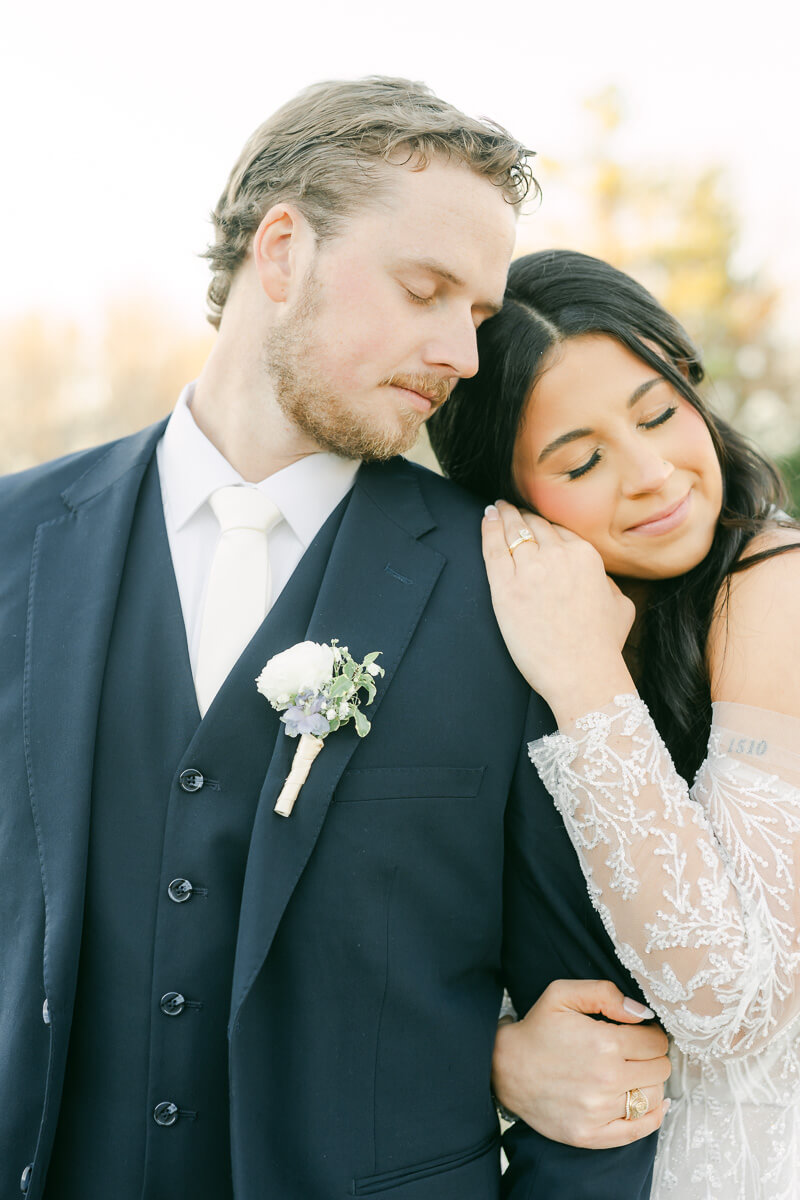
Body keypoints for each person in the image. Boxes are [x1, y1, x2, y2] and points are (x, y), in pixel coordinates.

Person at [0, 85, 669, 1200]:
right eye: (424, 291)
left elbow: (599, 1050)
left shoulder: (509, 583)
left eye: (479, 317)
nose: (458, 351)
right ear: (281, 250)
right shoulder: (15, 541)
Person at [428, 247, 800, 1197]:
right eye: (583, 460)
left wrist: (588, 680)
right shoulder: (509, 631)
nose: (653, 475)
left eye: (660, 413)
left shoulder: (775, 583)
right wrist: (499, 1057)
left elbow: (727, 1002)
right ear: (508, 500)